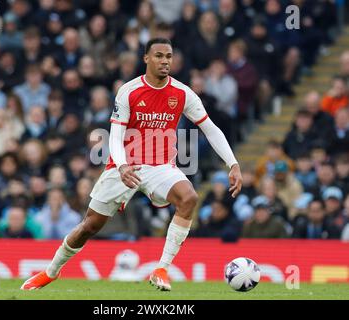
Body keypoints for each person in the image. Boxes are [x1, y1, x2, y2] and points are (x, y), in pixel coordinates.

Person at [20, 38, 243, 291]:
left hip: (160, 167)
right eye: (159, 56)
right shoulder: (129, 91)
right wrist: (123, 166)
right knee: (89, 226)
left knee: (189, 197)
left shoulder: (182, 93)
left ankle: (161, 269)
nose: (165, 61)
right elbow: (115, 135)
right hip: (124, 165)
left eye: (168, 56)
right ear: (146, 58)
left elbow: (210, 129)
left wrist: (232, 163)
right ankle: (51, 272)